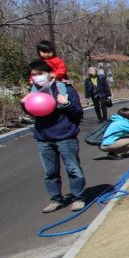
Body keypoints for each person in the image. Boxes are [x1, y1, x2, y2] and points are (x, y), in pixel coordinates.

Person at [24, 59, 86, 212]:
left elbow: (78, 113)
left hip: (65, 137)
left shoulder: (66, 90)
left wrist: (66, 104)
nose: (37, 78)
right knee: (50, 172)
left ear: (51, 74)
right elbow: (34, 111)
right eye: (34, 75)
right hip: (43, 138)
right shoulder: (33, 94)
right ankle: (56, 199)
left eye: (40, 74)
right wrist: (23, 104)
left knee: (73, 169)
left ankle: (78, 197)